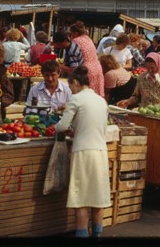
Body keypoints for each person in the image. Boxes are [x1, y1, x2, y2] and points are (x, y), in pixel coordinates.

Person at [55, 66, 111, 238]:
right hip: (101, 152)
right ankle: (97, 235)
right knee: (97, 199)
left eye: (71, 86)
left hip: (83, 153)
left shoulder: (76, 99)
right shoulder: (101, 100)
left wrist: (56, 127)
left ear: (77, 83)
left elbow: (62, 126)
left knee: (81, 200)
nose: (70, 90)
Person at [69, 21, 105, 98]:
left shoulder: (75, 41)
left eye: (71, 34)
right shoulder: (88, 38)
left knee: (87, 96)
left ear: (75, 33)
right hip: (97, 68)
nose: (70, 36)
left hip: (87, 70)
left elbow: (73, 59)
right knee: (96, 96)